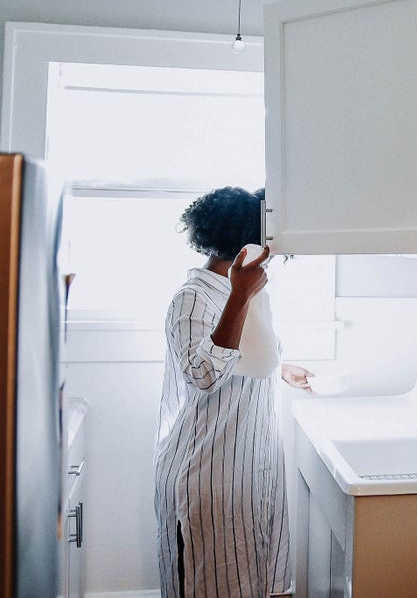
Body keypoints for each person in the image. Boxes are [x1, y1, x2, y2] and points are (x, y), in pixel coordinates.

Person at [153, 186, 313, 598]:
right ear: (246, 246)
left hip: (246, 469)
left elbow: (240, 354)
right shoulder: (192, 299)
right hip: (207, 475)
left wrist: (280, 368)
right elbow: (203, 374)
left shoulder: (243, 293)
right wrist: (240, 294)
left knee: (249, 583)